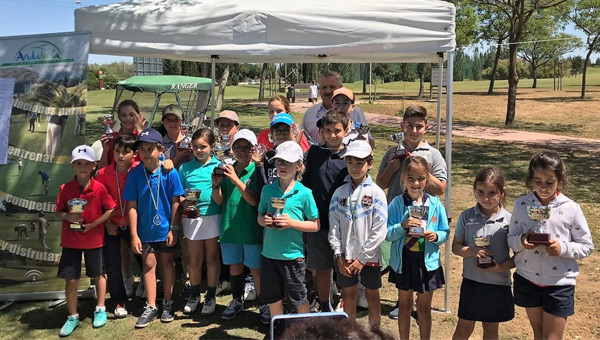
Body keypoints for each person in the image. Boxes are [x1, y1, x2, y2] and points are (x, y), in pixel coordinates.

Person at [507, 151, 594, 340]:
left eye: (550, 182)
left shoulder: (571, 208)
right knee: (538, 334)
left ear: (560, 180)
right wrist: (522, 241)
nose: (543, 187)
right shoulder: (522, 205)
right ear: (530, 179)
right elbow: (510, 238)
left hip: (559, 283)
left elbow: (586, 246)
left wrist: (562, 248)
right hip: (528, 279)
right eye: (537, 181)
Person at [123, 128, 185, 328]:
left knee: (167, 263)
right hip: (145, 230)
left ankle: (167, 301)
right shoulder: (134, 175)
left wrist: (173, 228)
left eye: (150, 149)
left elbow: (176, 202)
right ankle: (151, 305)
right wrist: (134, 235)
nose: (146, 153)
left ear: (160, 149)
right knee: (148, 265)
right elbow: (131, 207)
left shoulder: (169, 172)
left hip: (166, 228)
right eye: (142, 149)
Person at [55, 145, 115, 337]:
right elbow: (58, 211)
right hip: (71, 241)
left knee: (98, 275)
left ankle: (100, 308)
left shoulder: (99, 187)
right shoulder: (65, 188)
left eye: (86, 164)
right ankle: (72, 315)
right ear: (73, 165)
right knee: (71, 279)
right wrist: (68, 217)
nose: (82, 167)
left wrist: (94, 224)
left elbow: (110, 209)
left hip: (94, 240)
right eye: (79, 164)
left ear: (94, 166)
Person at [386, 156, 449, 340]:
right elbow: (387, 233)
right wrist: (402, 226)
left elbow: (445, 231)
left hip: (427, 263)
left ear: (427, 179)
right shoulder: (397, 203)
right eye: (411, 178)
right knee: (404, 307)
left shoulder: (435, 204)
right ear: (403, 178)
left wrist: (435, 236)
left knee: (424, 309)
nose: (416, 183)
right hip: (404, 262)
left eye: (421, 178)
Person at [211, 129, 270, 323]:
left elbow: (254, 200)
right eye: (238, 147)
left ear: (254, 149)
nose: (243, 151)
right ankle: (237, 300)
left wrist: (236, 180)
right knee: (235, 268)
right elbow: (220, 201)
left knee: (256, 269)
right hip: (230, 227)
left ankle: (263, 303)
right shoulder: (228, 168)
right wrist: (216, 185)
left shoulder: (257, 170)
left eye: (247, 147)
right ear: (232, 148)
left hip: (251, 228)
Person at [257, 141, 320, 318]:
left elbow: (315, 225)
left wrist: (292, 223)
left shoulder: (305, 193)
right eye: (279, 162)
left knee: (299, 299)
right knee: (273, 299)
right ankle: (277, 331)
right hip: (269, 255)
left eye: (287, 162)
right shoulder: (267, 190)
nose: (282, 166)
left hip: (293, 257)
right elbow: (260, 217)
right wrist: (265, 220)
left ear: (299, 165)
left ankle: (304, 334)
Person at [452, 167, 515, 340]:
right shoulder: (466, 216)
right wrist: (473, 251)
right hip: (472, 282)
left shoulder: (510, 220)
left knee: (490, 330)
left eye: (492, 193)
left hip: (498, 283)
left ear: (502, 192)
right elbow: (456, 247)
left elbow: (519, 256)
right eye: (480, 192)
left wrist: (500, 268)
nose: (485, 198)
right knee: (463, 328)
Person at [328, 141, 387, 325]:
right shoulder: (339, 193)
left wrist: (363, 258)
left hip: (370, 257)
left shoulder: (376, 193)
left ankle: (374, 333)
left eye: (359, 163)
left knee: (372, 296)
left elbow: (379, 229)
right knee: (349, 295)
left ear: (370, 163)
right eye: (350, 162)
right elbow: (334, 226)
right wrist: (338, 253)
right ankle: (351, 333)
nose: (354, 168)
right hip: (346, 254)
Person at [301, 110, 350, 312]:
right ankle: (324, 305)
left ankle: (347, 303)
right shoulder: (313, 153)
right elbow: (304, 183)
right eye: (327, 130)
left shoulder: (351, 156)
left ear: (346, 131)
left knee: (345, 267)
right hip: (318, 221)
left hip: (345, 223)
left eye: (337, 131)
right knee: (321, 268)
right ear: (320, 132)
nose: (332, 135)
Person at [178, 128, 222, 316]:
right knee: (194, 259)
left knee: (212, 257)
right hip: (191, 217)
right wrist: (185, 202)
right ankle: (195, 294)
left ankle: (210, 295)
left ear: (212, 147)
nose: (199, 150)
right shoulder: (185, 168)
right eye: (195, 147)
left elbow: (221, 198)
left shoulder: (219, 166)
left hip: (212, 215)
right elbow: (178, 195)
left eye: (203, 146)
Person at [96, 133, 139, 318]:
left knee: (145, 259)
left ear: (134, 154)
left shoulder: (139, 169)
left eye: (126, 152)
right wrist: (106, 223)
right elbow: (96, 202)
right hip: (112, 224)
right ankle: (119, 301)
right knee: (113, 264)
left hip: (135, 223)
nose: (121, 156)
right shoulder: (103, 174)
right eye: (117, 151)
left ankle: (151, 296)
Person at [376, 105, 446, 202]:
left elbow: (441, 189)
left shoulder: (433, 154)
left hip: (423, 212)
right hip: (396, 211)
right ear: (402, 126)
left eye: (419, 127)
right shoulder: (392, 152)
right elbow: (380, 185)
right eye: (410, 125)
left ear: (426, 128)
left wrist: (421, 171)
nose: (414, 131)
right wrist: (390, 168)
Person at [301, 71, 367, 144]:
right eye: (324, 87)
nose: (328, 91)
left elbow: (368, 139)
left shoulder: (356, 113)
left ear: (340, 88)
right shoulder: (310, 113)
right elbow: (303, 140)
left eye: (332, 87)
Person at [99, 99, 146, 169]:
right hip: (117, 178)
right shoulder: (113, 137)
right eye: (124, 115)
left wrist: (140, 130)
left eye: (132, 115)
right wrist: (105, 150)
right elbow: (102, 170)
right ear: (119, 117)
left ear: (139, 116)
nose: (128, 118)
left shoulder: (145, 136)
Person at [261, 113, 302, 184]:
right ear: (272, 134)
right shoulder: (269, 156)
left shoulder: (299, 155)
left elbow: (302, 176)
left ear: (293, 131)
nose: (281, 134)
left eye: (286, 130)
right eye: (277, 131)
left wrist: (294, 144)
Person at [161, 104, 192, 168]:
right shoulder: (159, 144)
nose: (172, 123)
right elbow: (160, 171)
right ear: (163, 122)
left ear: (182, 121)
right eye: (168, 120)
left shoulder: (190, 142)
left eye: (176, 120)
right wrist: (178, 157)